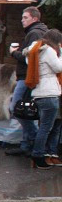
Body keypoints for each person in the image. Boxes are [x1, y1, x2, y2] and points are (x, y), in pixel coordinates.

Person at [7, 6, 49, 156]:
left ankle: (35, 138)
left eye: (25, 17)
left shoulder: (34, 33)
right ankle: (26, 145)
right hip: (29, 77)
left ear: (34, 18)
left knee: (17, 109)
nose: (22, 20)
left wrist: (14, 53)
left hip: (26, 77)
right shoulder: (40, 32)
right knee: (26, 110)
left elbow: (30, 59)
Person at [25, 29, 62, 168]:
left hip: (39, 92)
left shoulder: (35, 50)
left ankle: (37, 154)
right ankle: (38, 155)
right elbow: (59, 68)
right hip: (49, 92)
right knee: (46, 128)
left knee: (43, 126)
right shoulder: (49, 51)